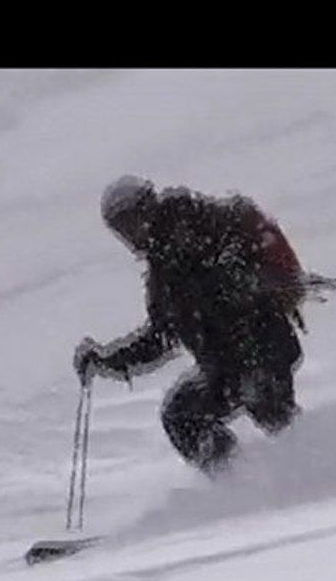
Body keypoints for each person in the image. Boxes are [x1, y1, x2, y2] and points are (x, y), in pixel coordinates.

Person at [73, 175, 308, 477]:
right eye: (120, 230)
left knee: (267, 406)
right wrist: (109, 360)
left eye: (129, 223)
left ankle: (314, 466)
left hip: (262, 348)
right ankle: (237, 480)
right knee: (181, 414)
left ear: (147, 208)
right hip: (224, 367)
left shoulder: (201, 225)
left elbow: (249, 271)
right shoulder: (163, 271)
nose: (129, 237)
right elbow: (161, 337)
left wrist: (241, 283)